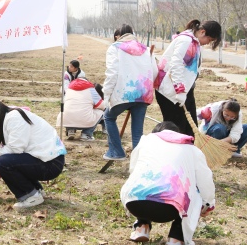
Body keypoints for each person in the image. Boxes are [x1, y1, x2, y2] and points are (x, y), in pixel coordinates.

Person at [120, 121, 215, 245]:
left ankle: (141, 227)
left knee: (145, 184)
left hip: (133, 203)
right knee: (194, 191)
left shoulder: (145, 141)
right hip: (169, 209)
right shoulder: (192, 150)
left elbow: (133, 170)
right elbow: (205, 180)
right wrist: (208, 204)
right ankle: (177, 237)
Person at [0, 102, 67, 210]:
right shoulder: (10, 116)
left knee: (5, 163)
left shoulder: (14, 119)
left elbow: (14, 150)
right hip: (49, 160)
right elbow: (10, 154)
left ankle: (31, 196)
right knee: (7, 161)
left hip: (50, 164)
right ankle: (36, 190)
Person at [154, 19, 222, 136]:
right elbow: (176, 65)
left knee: (190, 129)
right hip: (171, 92)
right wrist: (179, 90)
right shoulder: (185, 41)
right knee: (176, 129)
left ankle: (189, 147)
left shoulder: (195, 43)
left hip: (185, 90)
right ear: (202, 32)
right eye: (209, 40)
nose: (208, 43)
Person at [102, 24, 157, 161]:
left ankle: (116, 152)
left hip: (124, 93)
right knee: (137, 131)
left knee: (108, 117)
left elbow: (112, 73)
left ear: (119, 36)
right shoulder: (146, 49)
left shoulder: (115, 48)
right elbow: (154, 71)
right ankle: (138, 161)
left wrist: (106, 95)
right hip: (143, 94)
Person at [56, 76, 105, 141]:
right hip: (85, 120)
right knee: (101, 112)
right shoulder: (91, 89)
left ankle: (70, 130)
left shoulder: (68, 89)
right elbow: (101, 105)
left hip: (67, 120)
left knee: (68, 109)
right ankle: (86, 134)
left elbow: (65, 102)